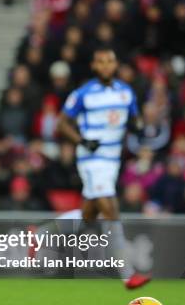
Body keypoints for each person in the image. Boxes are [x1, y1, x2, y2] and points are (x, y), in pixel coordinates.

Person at [57, 46, 150, 289]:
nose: (106, 65)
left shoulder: (126, 92)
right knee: (110, 208)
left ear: (115, 64)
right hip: (91, 159)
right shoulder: (84, 93)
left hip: (112, 160)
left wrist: (139, 125)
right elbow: (62, 123)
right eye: (101, 61)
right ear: (94, 66)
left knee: (89, 215)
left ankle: (42, 235)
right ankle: (127, 275)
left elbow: (134, 117)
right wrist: (81, 140)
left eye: (110, 61)